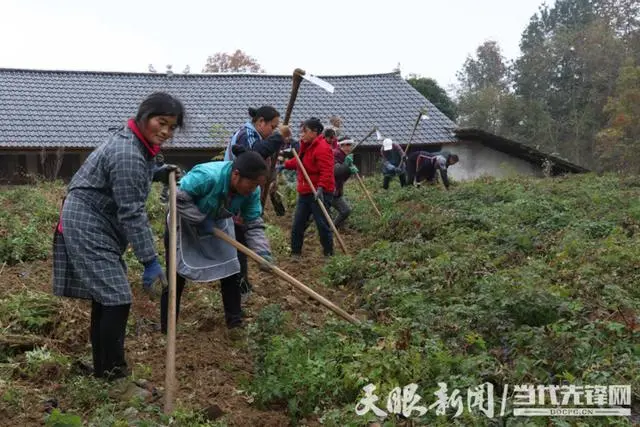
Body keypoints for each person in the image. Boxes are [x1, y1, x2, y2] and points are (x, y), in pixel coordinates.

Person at [52, 92, 184, 382]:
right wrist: (149, 260)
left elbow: (132, 175)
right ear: (144, 116)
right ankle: (114, 378)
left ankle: (103, 369)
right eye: (161, 122)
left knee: (107, 297)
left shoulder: (137, 144)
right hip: (88, 223)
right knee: (117, 298)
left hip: (94, 220)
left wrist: (157, 172)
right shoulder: (128, 152)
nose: (165, 131)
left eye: (171, 127)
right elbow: (131, 212)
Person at [160, 146, 272, 339]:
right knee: (176, 274)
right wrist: (201, 220)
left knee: (232, 269)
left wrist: (262, 253)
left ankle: (234, 323)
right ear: (236, 175)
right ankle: (167, 328)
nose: (253, 190)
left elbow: (253, 224)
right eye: (252, 185)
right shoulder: (207, 176)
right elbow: (177, 199)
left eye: (257, 186)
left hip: (217, 222)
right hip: (185, 221)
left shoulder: (250, 193)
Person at [223, 106, 280, 302]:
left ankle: (242, 286)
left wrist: (263, 251)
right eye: (273, 126)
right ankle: (240, 288)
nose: (273, 130)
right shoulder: (246, 134)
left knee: (241, 243)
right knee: (237, 247)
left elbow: (255, 223)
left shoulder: (255, 135)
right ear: (261, 122)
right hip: (231, 201)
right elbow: (252, 155)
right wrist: (277, 138)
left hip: (243, 199)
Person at [284, 117, 335, 257]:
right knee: (298, 223)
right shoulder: (305, 146)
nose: (302, 134)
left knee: (322, 224)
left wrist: (321, 188)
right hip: (305, 191)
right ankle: (295, 253)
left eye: (304, 131)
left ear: (314, 132)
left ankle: (329, 253)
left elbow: (327, 171)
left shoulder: (323, 148)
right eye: (301, 131)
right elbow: (299, 162)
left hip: (320, 192)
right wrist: (284, 164)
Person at [331, 136, 359, 228]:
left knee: (345, 210)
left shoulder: (346, 156)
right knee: (318, 214)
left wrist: (350, 171)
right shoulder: (335, 154)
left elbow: (342, 178)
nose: (347, 147)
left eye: (349, 145)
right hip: (328, 189)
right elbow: (335, 171)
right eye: (345, 145)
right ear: (340, 146)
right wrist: (347, 166)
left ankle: (333, 228)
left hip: (337, 190)